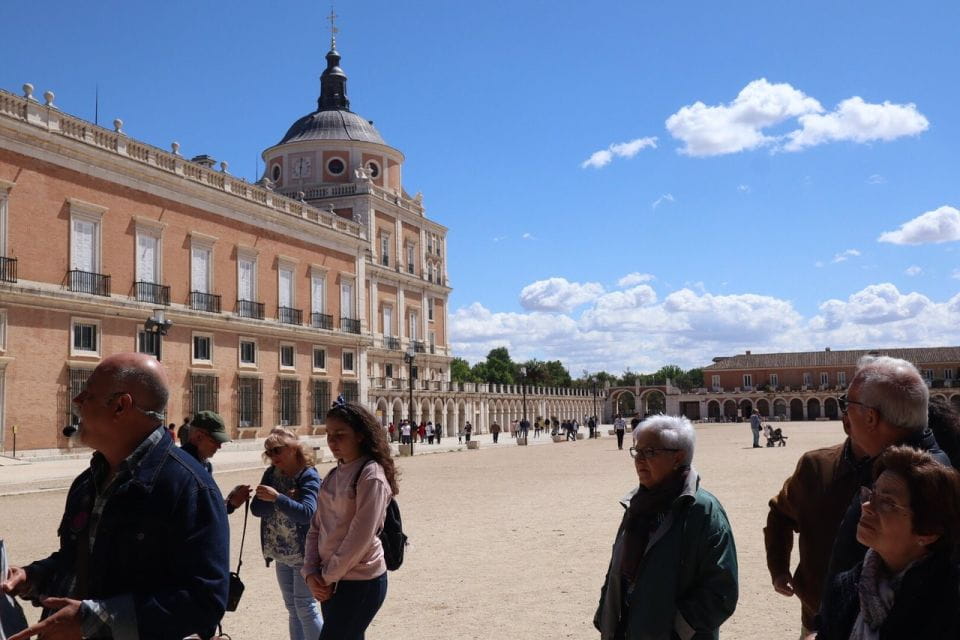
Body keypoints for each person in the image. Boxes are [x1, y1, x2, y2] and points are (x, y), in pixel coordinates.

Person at [1, 353, 229, 639]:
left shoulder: (190, 487)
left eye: (88, 395)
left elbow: (204, 601)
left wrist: (91, 619)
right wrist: (32, 577)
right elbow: (77, 561)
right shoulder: (88, 481)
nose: (77, 401)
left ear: (121, 406)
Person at [594, 415, 739, 638]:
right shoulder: (637, 504)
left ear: (678, 457)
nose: (639, 460)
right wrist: (606, 615)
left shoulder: (703, 511)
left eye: (649, 452)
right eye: (636, 451)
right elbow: (618, 568)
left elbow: (721, 590)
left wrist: (677, 629)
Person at [824, 356, 950, 586]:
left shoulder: (911, 480)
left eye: (846, 404)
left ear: (871, 417)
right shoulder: (923, 469)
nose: (846, 416)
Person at [815, 446, 960, 639]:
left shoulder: (949, 603)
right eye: (871, 494)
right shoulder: (845, 588)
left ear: (928, 531)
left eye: (887, 502)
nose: (866, 506)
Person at [303, 402, 398, 640]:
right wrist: (310, 571)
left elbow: (360, 536)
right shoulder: (334, 474)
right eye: (328, 434)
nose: (332, 441)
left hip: (360, 581)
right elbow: (317, 526)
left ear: (360, 435)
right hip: (332, 580)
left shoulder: (370, 475)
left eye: (340, 434)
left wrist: (325, 577)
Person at [227, 428, 323, 640]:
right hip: (280, 552)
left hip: (304, 552)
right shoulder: (271, 473)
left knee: (305, 607)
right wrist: (276, 500)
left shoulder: (308, 475)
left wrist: (278, 499)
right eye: (269, 451)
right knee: (292, 607)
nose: (273, 455)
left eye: (277, 450)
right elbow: (257, 510)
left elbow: (308, 513)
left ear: (294, 448)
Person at [765, 435, 864, 636]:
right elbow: (780, 515)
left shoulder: (904, 470)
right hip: (816, 613)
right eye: (844, 405)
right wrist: (779, 568)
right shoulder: (816, 466)